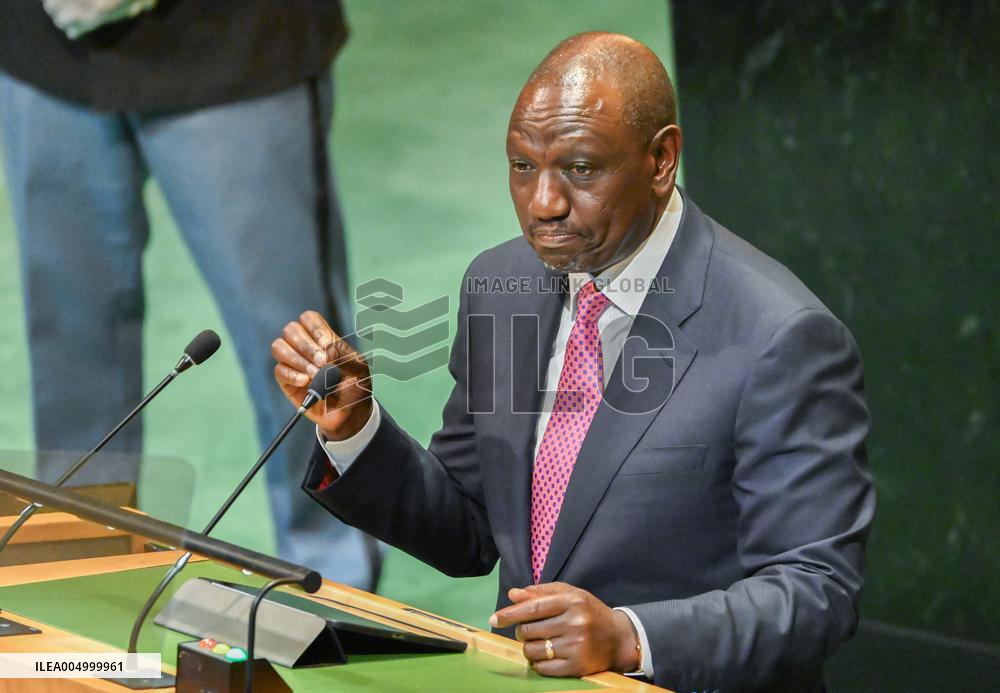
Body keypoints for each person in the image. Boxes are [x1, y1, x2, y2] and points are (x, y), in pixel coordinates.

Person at [272, 32, 875, 692]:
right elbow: (472, 529)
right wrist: (355, 429)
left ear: (661, 159)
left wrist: (630, 635)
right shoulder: (499, 287)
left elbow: (817, 591)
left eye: (581, 169)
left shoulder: (780, 336)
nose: (544, 205)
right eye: (523, 166)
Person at [0, 0, 381, 590]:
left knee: (298, 349)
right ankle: (77, 571)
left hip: (231, 49)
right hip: (41, 51)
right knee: (68, 335)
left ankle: (333, 585)